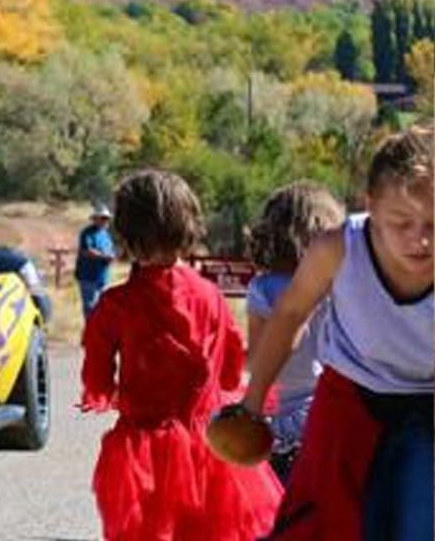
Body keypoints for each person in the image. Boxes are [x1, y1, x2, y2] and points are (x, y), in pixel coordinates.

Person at [237, 127, 433, 539]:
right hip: (350, 399)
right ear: (372, 206)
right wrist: (251, 404)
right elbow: (290, 313)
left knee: (415, 523)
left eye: (434, 222)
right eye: (402, 222)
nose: (421, 238)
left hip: (427, 404)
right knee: (325, 522)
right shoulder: (339, 248)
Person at [79, 169, 281, 541]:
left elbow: (97, 380)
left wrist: (110, 394)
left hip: (144, 451)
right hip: (211, 446)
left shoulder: (115, 305)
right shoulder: (209, 295)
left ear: (125, 234)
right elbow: (230, 371)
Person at [242, 182, 345, 482]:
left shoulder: (264, 288)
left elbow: (259, 361)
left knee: (287, 516)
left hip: (286, 425)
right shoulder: (342, 284)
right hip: (339, 415)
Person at [75, 202, 116, 316]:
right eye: (103, 218)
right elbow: (87, 251)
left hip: (102, 277)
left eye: (107, 218)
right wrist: (105, 256)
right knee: (91, 309)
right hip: (88, 277)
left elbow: (110, 250)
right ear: (95, 219)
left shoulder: (106, 234)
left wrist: (111, 256)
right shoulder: (87, 233)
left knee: (102, 308)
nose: (105, 221)